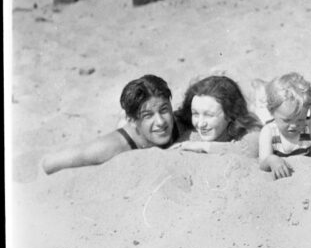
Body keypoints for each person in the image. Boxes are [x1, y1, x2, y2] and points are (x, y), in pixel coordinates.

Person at [42, 74, 179, 175]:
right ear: (132, 120)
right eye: (148, 115)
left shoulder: (180, 120)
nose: (161, 122)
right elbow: (50, 163)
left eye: (164, 110)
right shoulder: (114, 146)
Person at [258, 72, 311, 179]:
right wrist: (272, 160)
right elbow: (262, 162)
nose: (293, 125)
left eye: (300, 120)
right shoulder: (269, 131)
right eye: (287, 120)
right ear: (272, 112)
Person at [171, 75, 263, 157]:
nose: (200, 124)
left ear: (231, 114)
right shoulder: (188, 133)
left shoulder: (249, 132)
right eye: (195, 114)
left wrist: (202, 146)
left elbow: (250, 150)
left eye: (209, 115)